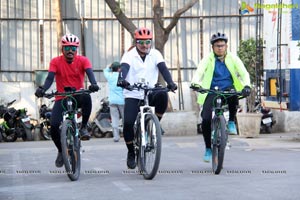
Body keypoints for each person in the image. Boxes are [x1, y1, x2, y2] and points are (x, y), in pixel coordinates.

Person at [35, 33, 100, 168]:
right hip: (62, 97)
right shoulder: (55, 61)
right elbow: (49, 78)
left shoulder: (83, 60)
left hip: (78, 94)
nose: (70, 51)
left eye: (73, 48)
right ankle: (61, 150)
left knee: (87, 96)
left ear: (77, 49)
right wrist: (42, 89)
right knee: (53, 126)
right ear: (62, 49)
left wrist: (93, 84)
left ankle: (83, 128)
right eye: (67, 48)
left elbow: (90, 73)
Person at [117, 27, 178, 169]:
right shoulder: (129, 55)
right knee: (128, 124)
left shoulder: (156, 54)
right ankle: (131, 152)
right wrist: (121, 80)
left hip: (150, 91)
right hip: (133, 93)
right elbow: (124, 69)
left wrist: (170, 83)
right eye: (141, 42)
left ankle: (155, 123)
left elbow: (163, 69)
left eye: (147, 42)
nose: (145, 46)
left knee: (163, 94)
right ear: (136, 42)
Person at [190, 32, 251, 162]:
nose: (220, 48)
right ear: (212, 47)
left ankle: (231, 122)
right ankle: (208, 148)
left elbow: (244, 73)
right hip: (211, 91)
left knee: (233, 93)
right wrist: (195, 83)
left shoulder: (233, 58)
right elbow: (199, 72)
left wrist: (247, 86)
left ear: (226, 46)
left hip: (227, 89)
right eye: (217, 46)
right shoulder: (208, 59)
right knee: (206, 119)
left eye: (222, 45)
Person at [103, 61, 124, 142]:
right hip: (122, 101)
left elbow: (105, 70)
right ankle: (127, 135)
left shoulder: (110, 76)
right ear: (119, 69)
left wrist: (109, 66)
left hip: (112, 101)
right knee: (125, 119)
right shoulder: (122, 76)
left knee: (114, 119)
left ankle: (116, 137)